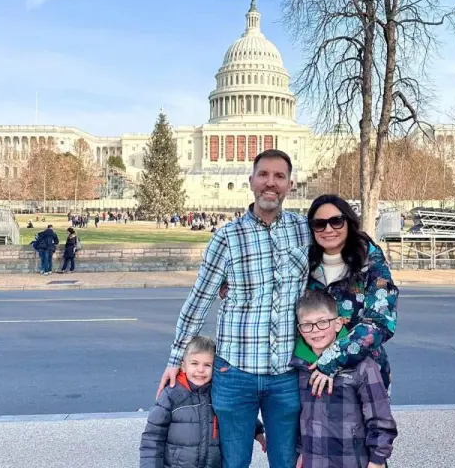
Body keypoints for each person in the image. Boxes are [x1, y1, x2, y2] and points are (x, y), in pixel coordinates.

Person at [157, 149, 310, 468]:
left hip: (284, 373)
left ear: (290, 184)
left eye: (279, 176)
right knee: (233, 462)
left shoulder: (303, 231)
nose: (271, 183)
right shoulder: (227, 237)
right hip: (235, 371)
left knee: (287, 461)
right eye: (264, 175)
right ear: (251, 180)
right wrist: (176, 358)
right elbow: (199, 298)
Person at [299, 194, 398, 397]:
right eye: (319, 224)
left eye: (336, 221)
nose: (328, 229)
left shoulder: (371, 261)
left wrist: (331, 360)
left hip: (362, 376)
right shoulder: (301, 262)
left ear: (348, 222)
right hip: (308, 373)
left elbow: (380, 322)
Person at [291, 290, 397, 468]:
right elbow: (301, 420)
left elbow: (381, 420)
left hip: (352, 461)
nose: (315, 330)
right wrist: (302, 451)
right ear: (300, 329)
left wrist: (377, 460)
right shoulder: (300, 368)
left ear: (338, 323)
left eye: (323, 322)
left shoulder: (363, 367)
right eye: (307, 325)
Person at [140, 336, 266, 468]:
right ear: (183, 366)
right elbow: (152, 438)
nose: (200, 370)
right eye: (194, 363)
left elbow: (235, 413)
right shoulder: (171, 395)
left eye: (207, 365)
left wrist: (256, 430)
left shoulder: (218, 392)